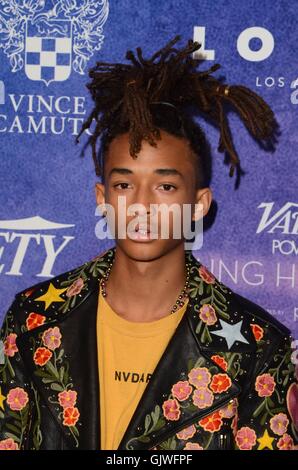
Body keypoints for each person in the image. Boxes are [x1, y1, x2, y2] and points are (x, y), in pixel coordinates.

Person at [0, 36, 297, 451]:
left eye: (165, 185)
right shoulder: (32, 321)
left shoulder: (258, 348)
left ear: (198, 203)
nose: (141, 205)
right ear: (103, 199)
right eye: (124, 184)